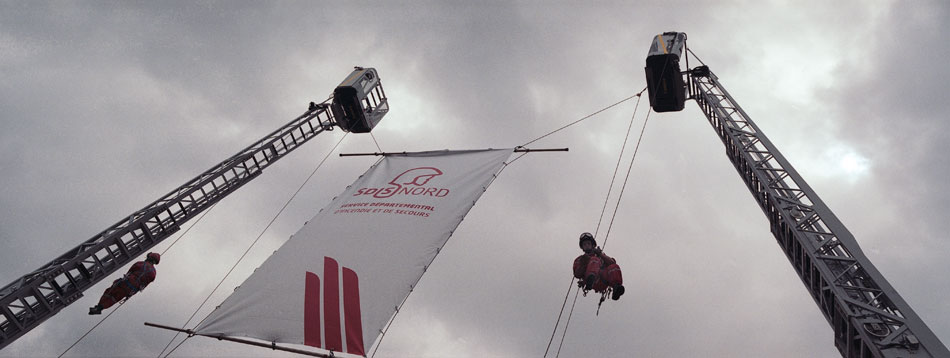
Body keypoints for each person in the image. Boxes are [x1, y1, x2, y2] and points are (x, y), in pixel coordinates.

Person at [89, 252, 160, 315]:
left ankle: (99, 307)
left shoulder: (140, 264)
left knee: (110, 292)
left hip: (125, 282)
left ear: (149, 257)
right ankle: (100, 308)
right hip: (131, 290)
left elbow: (129, 272)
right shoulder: (153, 273)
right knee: (115, 298)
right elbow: (144, 286)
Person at [573, 233, 625, 300]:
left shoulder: (600, 255)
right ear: (582, 247)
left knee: (614, 267)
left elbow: (612, 263)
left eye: (588, 243)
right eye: (584, 244)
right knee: (594, 259)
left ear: (592, 245)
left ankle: (616, 288)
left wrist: (600, 254)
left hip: (603, 280)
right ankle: (590, 279)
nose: (587, 246)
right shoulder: (580, 259)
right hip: (593, 282)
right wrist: (583, 264)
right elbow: (577, 274)